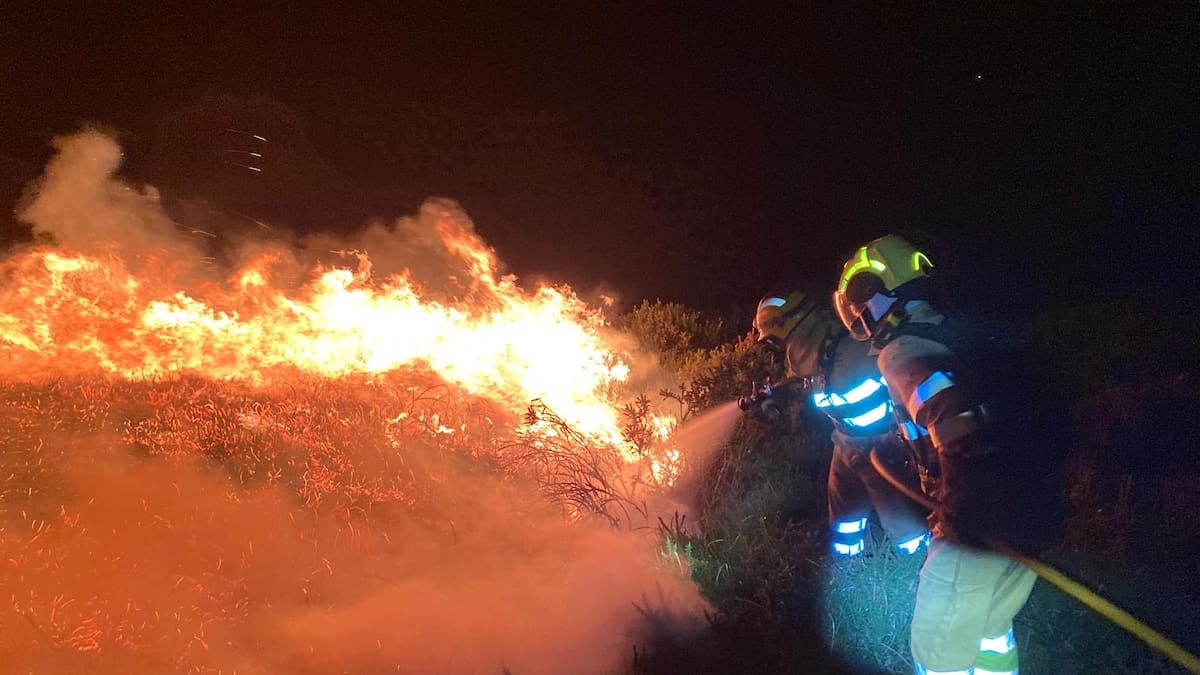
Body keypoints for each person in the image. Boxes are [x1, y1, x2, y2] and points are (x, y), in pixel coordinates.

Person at [832, 234, 1063, 675]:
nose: (856, 317)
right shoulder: (955, 332)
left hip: (978, 523)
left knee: (938, 649)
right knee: (991, 629)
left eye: (856, 303)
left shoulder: (901, 351)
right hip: (1033, 512)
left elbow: (952, 416)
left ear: (875, 295)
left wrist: (961, 511)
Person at [750, 287, 929, 559]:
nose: (780, 348)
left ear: (793, 324)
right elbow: (801, 382)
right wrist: (776, 396)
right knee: (844, 521)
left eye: (776, 340)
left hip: (884, 443)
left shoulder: (861, 348)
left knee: (901, 518)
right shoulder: (811, 361)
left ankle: (917, 565)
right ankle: (849, 567)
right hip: (845, 444)